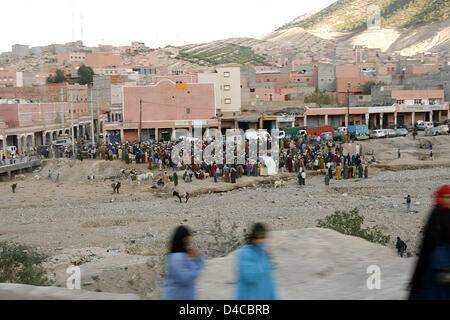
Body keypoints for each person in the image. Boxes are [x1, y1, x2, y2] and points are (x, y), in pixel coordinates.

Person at [409, 185, 450, 300]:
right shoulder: (435, 214)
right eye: (446, 197)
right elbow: (427, 241)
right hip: (432, 265)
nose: (448, 200)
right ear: (439, 198)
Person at [236, 223, 277, 300]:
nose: (260, 241)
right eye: (258, 238)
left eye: (262, 237)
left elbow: (269, 283)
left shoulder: (265, 254)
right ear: (253, 238)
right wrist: (262, 256)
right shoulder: (245, 253)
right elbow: (251, 277)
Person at [163, 226, 204, 300]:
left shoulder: (184, 254)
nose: (189, 242)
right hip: (176, 296)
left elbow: (201, 264)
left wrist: (196, 257)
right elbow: (185, 278)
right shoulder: (176, 258)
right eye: (187, 239)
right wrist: (194, 264)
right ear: (182, 240)